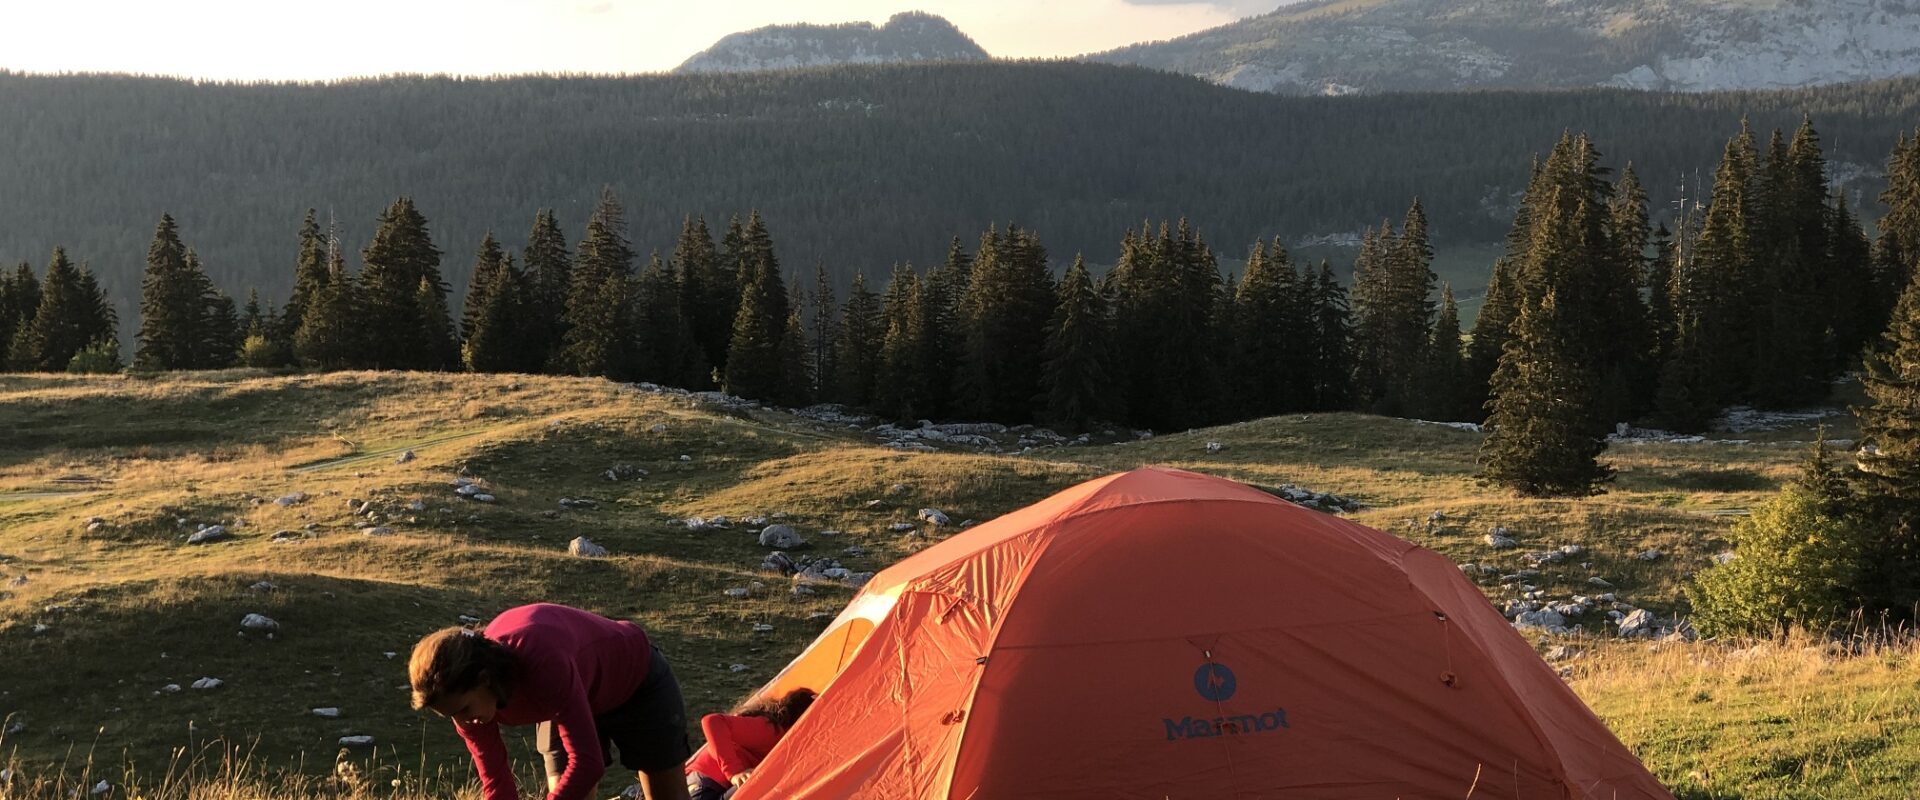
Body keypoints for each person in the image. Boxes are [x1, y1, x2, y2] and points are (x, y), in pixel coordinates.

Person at [409, 603, 692, 800]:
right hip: (566, 700)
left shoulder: (541, 663)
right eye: (451, 717)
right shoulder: (465, 706)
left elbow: (588, 763)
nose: (464, 723)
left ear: (485, 679)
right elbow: (497, 784)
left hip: (635, 682)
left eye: (464, 710)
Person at [684, 688, 817, 800]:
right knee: (764, 780)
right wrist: (734, 771)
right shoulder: (770, 730)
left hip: (711, 789)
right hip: (705, 786)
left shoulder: (786, 745)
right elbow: (712, 721)